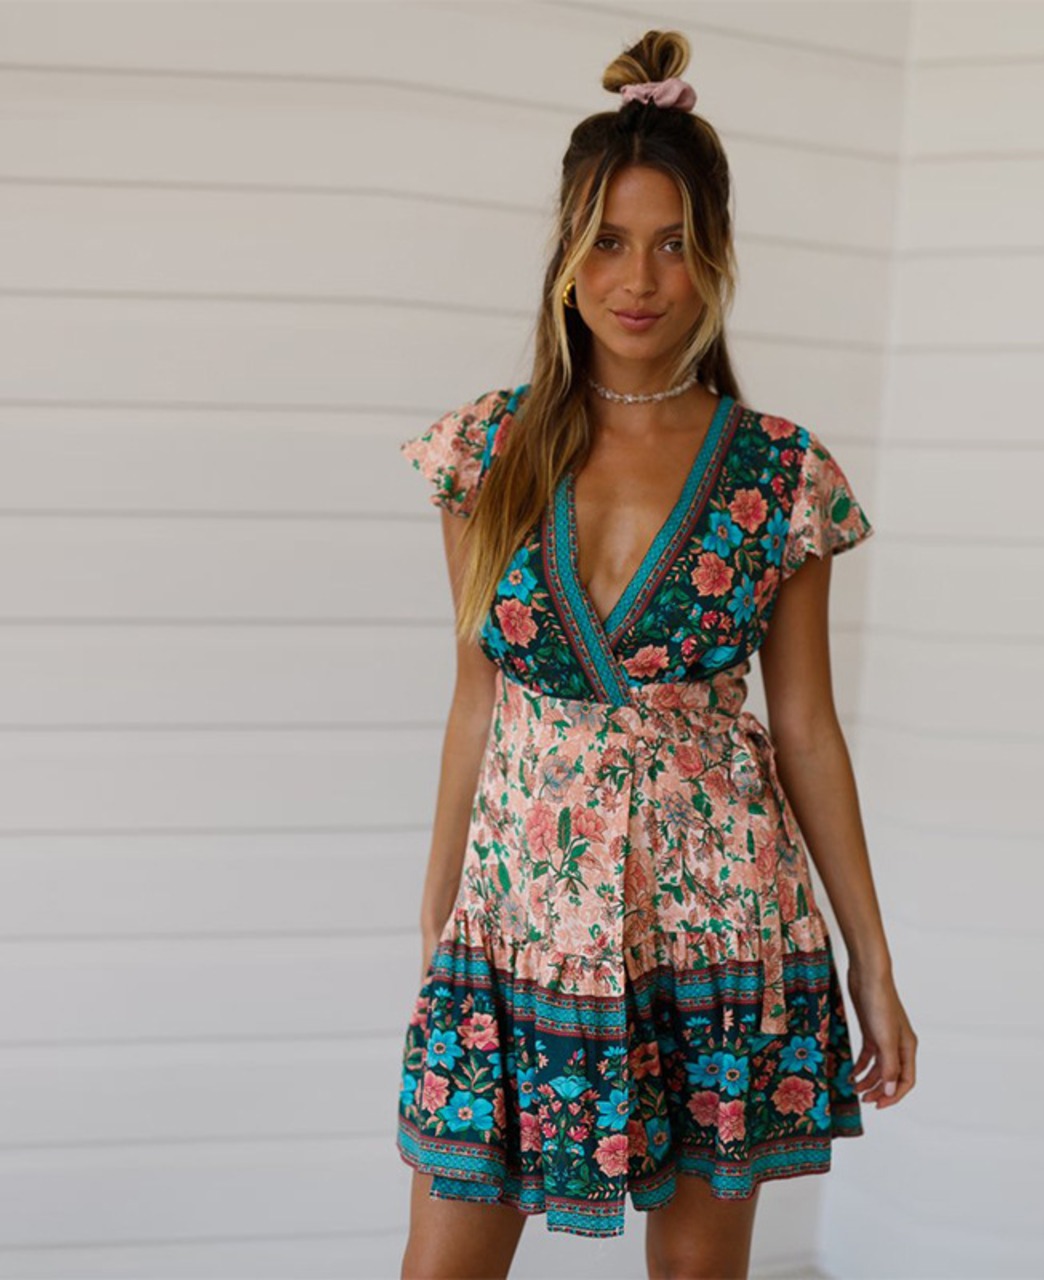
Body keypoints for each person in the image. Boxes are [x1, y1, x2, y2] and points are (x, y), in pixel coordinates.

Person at [394, 29, 917, 1280]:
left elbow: (804, 729)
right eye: (609, 241)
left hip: (720, 926)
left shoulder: (778, 471)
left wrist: (873, 961)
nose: (639, 278)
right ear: (565, 257)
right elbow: (474, 701)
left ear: (715, 256)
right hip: (523, 923)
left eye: (673, 242)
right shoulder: (484, 451)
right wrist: (436, 913)